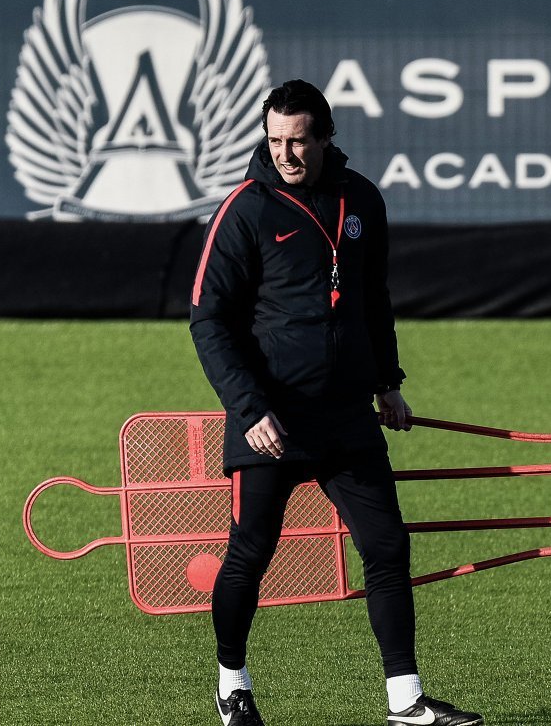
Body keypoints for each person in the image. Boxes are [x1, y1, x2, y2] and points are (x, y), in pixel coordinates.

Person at [190, 79, 483, 726]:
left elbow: (373, 299)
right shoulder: (244, 210)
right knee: (250, 553)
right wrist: (249, 408)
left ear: (325, 137)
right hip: (270, 420)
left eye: (298, 140)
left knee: (387, 546)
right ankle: (232, 685)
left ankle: (406, 702)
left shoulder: (362, 200)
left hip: (347, 417)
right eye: (275, 140)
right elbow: (207, 320)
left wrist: (387, 380)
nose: (285, 153)